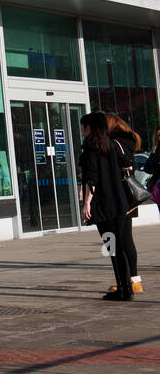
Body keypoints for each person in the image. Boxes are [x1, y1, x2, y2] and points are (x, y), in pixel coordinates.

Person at [78, 111, 137, 302]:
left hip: (104, 206)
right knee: (119, 246)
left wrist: (86, 203)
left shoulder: (90, 149)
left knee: (112, 246)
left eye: (83, 127)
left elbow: (91, 179)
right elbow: (127, 165)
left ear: (89, 128)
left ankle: (122, 288)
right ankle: (126, 288)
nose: (81, 131)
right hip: (120, 203)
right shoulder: (112, 146)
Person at [103, 113, 144, 295]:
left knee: (116, 240)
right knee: (127, 239)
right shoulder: (127, 142)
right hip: (128, 198)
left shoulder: (114, 144)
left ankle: (125, 282)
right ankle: (133, 281)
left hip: (117, 198)